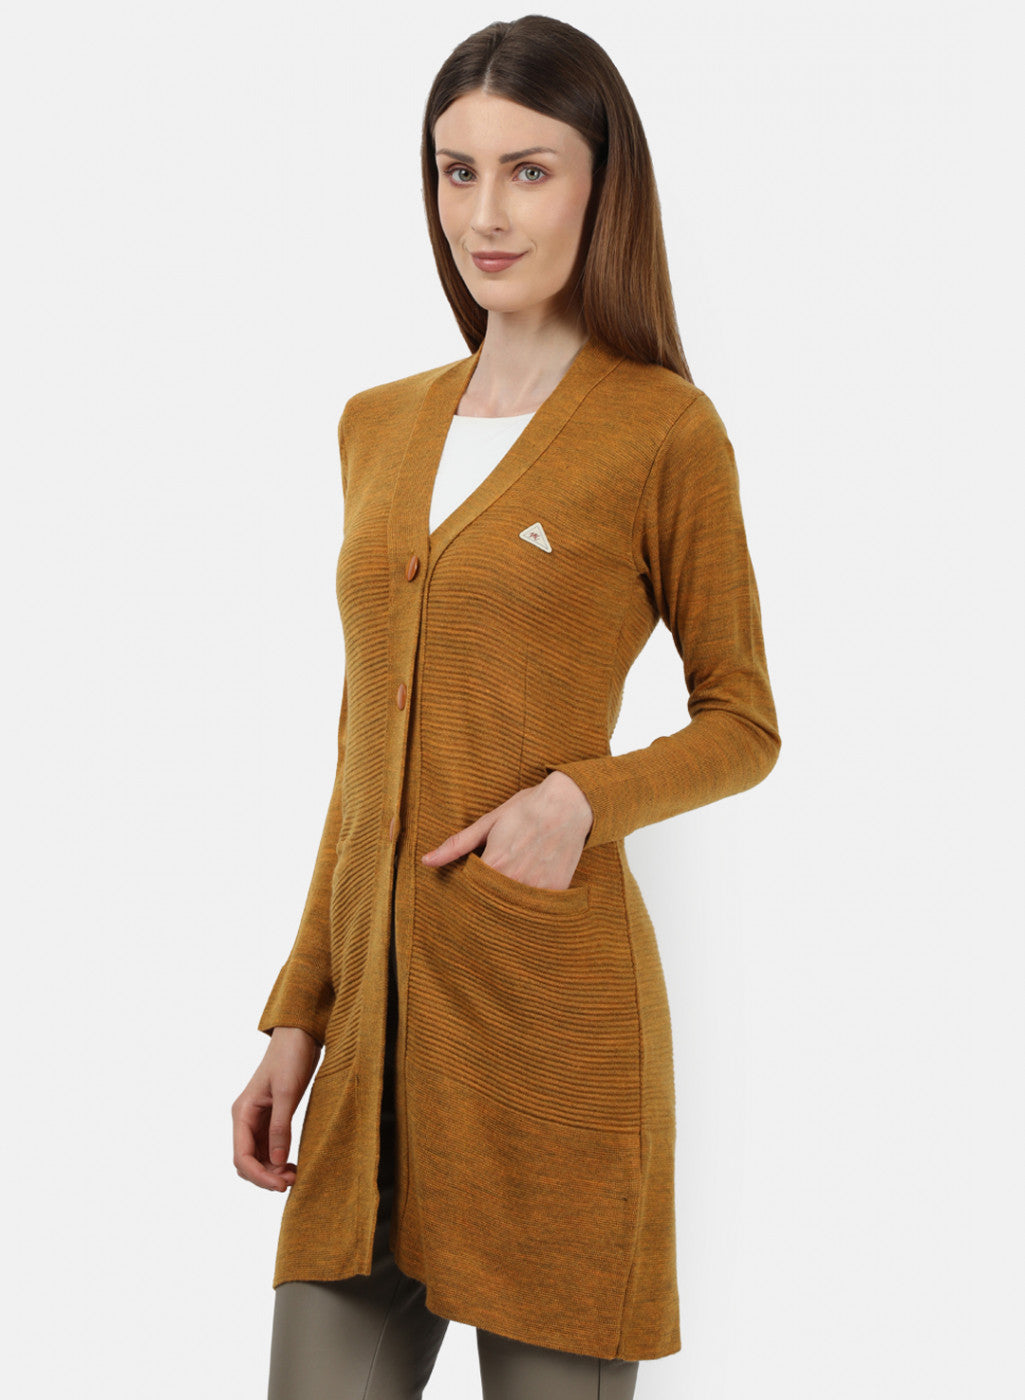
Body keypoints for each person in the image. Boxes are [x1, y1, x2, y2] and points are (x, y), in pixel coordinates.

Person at [231, 14, 781, 1400]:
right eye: (456, 170)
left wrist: (581, 801)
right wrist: (299, 1017)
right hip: (371, 1061)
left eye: (528, 171)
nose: (484, 213)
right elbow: (363, 756)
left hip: (550, 1047)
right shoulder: (376, 424)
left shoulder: (662, 430)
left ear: (601, 185)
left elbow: (743, 719)